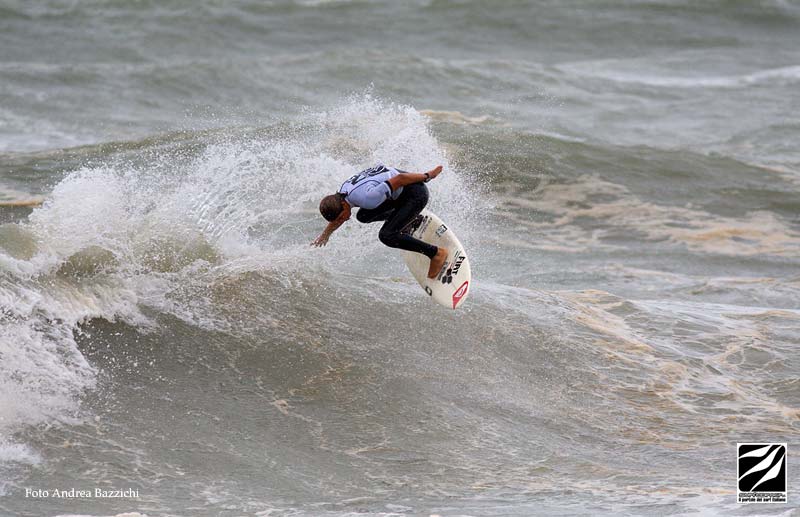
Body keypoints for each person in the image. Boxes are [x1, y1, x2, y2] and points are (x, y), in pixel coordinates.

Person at [312, 163, 448, 278]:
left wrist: (428, 175)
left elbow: (400, 179)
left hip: (416, 194)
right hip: (401, 191)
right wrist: (325, 235)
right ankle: (410, 220)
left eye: (342, 217)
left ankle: (436, 253)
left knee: (387, 235)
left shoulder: (367, 198)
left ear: (342, 204)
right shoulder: (343, 192)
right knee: (363, 216)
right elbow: (337, 217)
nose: (344, 220)